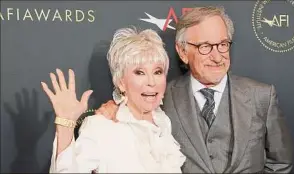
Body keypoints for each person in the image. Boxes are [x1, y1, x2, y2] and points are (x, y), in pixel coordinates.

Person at [97, 6, 293, 173]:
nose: (217, 57)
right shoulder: (161, 97)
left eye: (223, 45)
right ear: (182, 52)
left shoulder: (261, 96)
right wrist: (115, 107)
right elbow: (133, 109)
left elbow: (280, 163)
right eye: (205, 46)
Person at [40, 27, 186, 173]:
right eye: (139, 72)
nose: (151, 81)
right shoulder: (101, 125)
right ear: (121, 82)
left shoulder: (163, 121)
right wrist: (65, 123)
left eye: (158, 72)